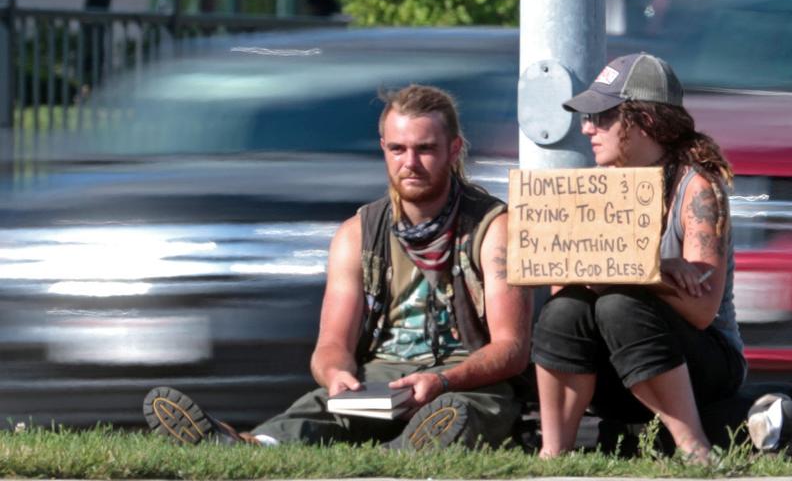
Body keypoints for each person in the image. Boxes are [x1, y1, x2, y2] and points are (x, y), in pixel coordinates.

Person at [143, 85, 532, 449]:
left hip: (464, 382)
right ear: (383, 149)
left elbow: (511, 348)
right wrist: (337, 376)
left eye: (425, 149)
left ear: (454, 149)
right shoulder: (357, 233)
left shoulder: (493, 228)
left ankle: (409, 448)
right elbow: (331, 345)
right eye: (397, 149)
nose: (409, 163)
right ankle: (245, 446)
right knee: (313, 411)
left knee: (461, 416)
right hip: (381, 382)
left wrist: (442, 379)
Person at [532, 53, 746, 463]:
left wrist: (636, 271)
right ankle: (553, 453)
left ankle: (694, 447)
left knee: (619, 305)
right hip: (616, 366)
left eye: (603, 117)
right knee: (564, 309)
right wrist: (634, 266)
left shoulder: (697, 186)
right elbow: (565, 286)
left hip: (702, 364)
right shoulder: (597, 184)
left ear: (644, 120)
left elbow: (703, 312)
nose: (587, 128)